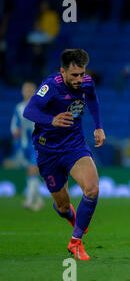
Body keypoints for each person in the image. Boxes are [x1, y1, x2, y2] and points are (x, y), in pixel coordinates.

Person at [23, 49, 106, 261]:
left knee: (92, 189)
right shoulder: (50, 86)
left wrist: (98, 127)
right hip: (47, 150)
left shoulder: (87, 82)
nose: (80, 80)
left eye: (82, 74)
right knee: (61, 206)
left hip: (74, 146)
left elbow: (93, 99)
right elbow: (29, 111)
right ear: (63, 72)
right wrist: (52, 120)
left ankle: (75, 242)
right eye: (74, 75)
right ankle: (69, 215)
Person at [10, 81, 43, 211]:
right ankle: (39, 200)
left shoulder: (40, 106)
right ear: (22, 91)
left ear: (35, 91)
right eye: (25, 89)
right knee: (30, 171)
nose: (28, 92)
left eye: (30, 89)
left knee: (33, 169)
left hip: (38, 143)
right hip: (24, 145)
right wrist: (15, 131)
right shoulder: (18, 107)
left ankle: (29, 201)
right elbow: (15, 124)